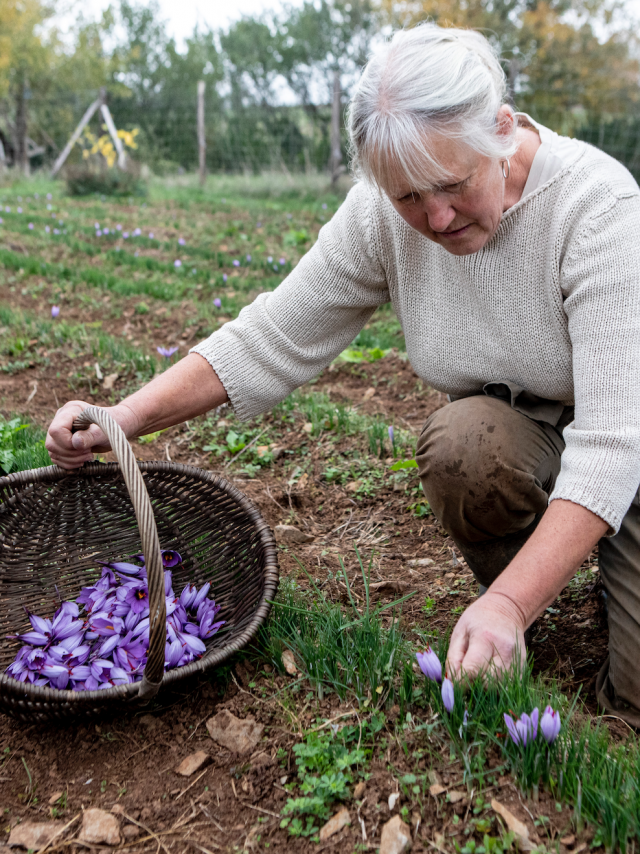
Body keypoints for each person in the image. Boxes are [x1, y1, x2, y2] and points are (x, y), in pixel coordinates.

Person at [46, 24, 640, 727]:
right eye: (408, 197)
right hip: (524, 425)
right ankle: (525, 608)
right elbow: (273, 333)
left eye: (452, 185)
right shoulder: (382, 215)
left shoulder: (596, 207)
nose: (437, 216)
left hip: (627, 426)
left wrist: (510, 602)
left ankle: (534, 596)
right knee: (465, 447)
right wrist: (122, 418)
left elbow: (612, 445)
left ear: (502, 131)